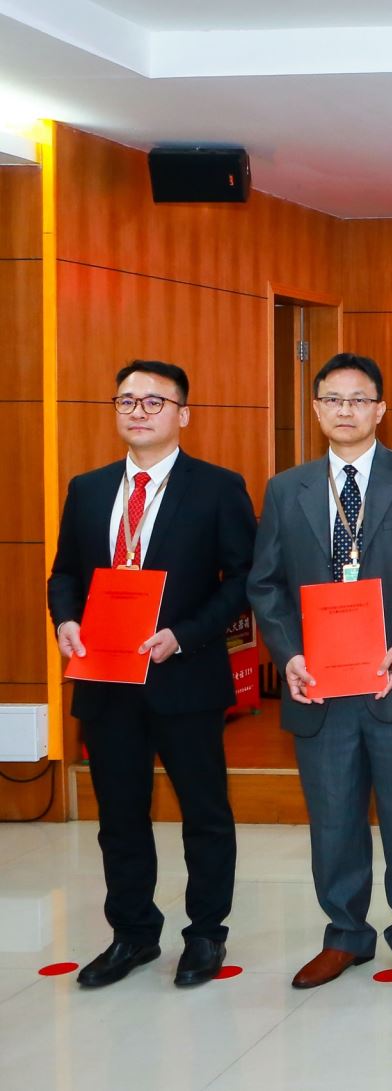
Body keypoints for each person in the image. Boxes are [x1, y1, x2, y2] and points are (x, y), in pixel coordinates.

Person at [247, 353, 392, 991]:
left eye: (359, 399)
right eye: (333, 399)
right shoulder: (286, 488)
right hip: (320, 685)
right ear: (316, 409)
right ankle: (345, 935)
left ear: (380, 409)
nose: (346, 410)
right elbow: (265, 584)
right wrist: (289, 655)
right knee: (333, 820)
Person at [46, 360, 255, 988]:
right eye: (126, 400)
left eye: (153, 401)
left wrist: (184, 635)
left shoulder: (217, 487)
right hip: (106, 680)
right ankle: (133, 934)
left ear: (183, 414)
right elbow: (64, 574)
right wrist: (66, 621)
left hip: (183, 676)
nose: (138, 411)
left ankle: (206, 934)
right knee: (119, 817)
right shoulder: (88, 488)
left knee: (204, 814)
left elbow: (243, 580)